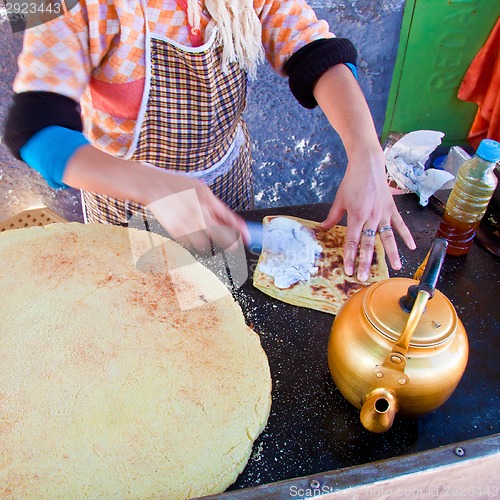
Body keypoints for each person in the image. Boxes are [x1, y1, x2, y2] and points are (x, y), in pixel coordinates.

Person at [4, 0, 415, 282]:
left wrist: (366, 153)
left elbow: (314, 50)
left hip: (225, 184)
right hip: (126, 200)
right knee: (145, 328)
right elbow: (34, 130)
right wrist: (155, 185)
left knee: (217, 316)